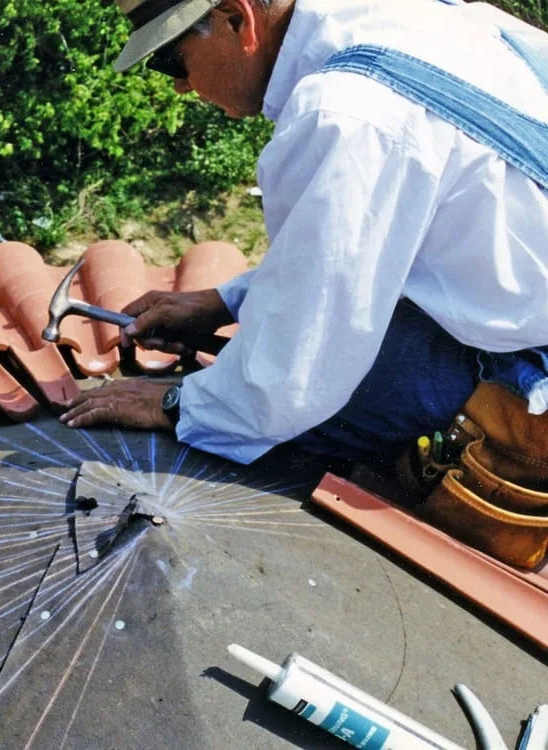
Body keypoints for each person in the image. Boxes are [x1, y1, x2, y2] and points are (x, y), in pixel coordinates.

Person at [60, 0, 548, 566]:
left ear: (236, 19)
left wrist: (178, 404)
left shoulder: (346, 110)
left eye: (173, 59)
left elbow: (295, 375)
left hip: (525, 375)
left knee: (277, 422)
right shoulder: (433, 17)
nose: (180, 88)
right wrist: (224, 300)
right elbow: (378, 242)